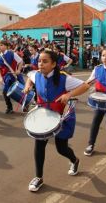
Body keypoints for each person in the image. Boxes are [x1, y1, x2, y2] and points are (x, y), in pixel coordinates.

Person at [23, 50, 89, 192]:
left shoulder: (64, 78)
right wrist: (27, 86)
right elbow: (29, 76)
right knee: (39, 145)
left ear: (53, 64)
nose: (41, 64)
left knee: (61, 149)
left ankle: (74, 160)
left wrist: (69, 94)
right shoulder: (36, 74)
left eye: (45, 61)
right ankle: (38, 177)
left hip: (61, 117)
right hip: (43, 116)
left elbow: (85, 86)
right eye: (39, 61)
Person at [0, 40, 24, 114]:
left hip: (14, 75)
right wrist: (0, 77)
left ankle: (24, 104)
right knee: (5, 92)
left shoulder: (12, 53)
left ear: (6, 46)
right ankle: (9, 107)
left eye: (1, 45)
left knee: (20, 91)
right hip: (6, 77)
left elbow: (21, 61)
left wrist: (18, 70)